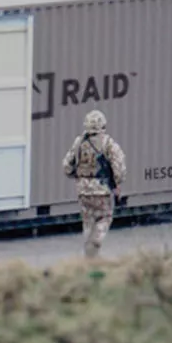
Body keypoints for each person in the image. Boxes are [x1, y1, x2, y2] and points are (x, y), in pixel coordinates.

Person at [62, 109, 126, 260]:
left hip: (83, 190)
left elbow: (67, 166)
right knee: (105, 218)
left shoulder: (79, 142)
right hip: (102, 190)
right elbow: (119, 167)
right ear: (103, 125)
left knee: (88, 222)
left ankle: (89, 256)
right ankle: (95, 244)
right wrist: (117, 183)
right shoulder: (108, 143)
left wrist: (78, 177)